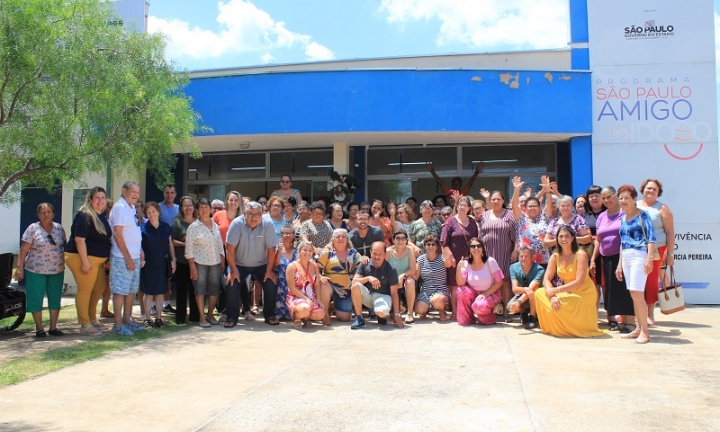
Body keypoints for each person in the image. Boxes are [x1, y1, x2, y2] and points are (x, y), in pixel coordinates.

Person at [535, 226, 606, 338]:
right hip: (566, 292)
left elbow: (579, 282)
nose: (564, 239)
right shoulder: (555, 256)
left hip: (583, 293)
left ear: (573, 238)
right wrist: (552, 295)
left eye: (567, 236)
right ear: (557, 239)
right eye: (561, 236)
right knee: (539, 293)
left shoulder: (581, 254)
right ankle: (557, 328)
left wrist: (557, 290)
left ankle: (569, 328)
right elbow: (546, 279)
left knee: (563, 301)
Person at [64, 188, 112, 336]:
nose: (100, 201)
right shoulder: (84, 215)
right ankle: (84, 324)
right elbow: (79, 240)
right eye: (97, 197)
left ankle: (92, 319)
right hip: (81, 258)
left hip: (97, 261)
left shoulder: (102, 215)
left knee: (99, 288)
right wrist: (85, 262)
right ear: (90, 199)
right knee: (85, 290)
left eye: (103, 197)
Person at [224, 201, 279, 327]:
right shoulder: (236, 223)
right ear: (244, 213)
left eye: (257, 215)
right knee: (232, 284)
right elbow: (229, 248)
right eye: (250, 214)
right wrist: (233, 271)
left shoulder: (267, 223)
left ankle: (269, 315)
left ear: (262, 214)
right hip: (238, 264)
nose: (254, 218)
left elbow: (272, 249)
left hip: (262, 265)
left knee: (271, 283)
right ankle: (232, 317)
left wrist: (269, 271)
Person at [15, 203, 66, 338]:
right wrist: (19, 268)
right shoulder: (33, 228)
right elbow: (23, 250)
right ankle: (39, 328)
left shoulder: (59, 229)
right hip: (35, 270)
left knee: (55, 298)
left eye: (49, 212)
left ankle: (53, 327)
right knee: (36, 298)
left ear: (53, 214)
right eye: (42, 212)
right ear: (38, 215)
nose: (46, 215)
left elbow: (64, 246)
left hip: (57, 269)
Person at [590, 186, 634, 332]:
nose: (606, 200)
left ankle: (630, 323)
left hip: (622, 256)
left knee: (624, 289)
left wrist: (621, 262)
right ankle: (620, 322)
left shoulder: (624, 214)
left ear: (616, 196)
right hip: (606, 259)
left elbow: (625, 238)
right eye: (604, 198)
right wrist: (593, 259)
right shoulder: (602, 216)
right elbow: (598, 239)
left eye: (609, 196)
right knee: (613, 291)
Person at [616, 185, 656, 344]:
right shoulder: (622, 218)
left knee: (637, 293)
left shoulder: (643, 215)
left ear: (634, 199)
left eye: (627, 198)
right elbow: (622, 243)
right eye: (621, 198)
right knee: (633, 294)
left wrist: (650, 259)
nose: (623, 201)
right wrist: (619, 264)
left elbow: (651, 238)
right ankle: (638, 328)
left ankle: (645, 332)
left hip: (640, 255)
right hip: (626, 256)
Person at [108, 181, 146, 336]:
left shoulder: (131, 208)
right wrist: (128, 258)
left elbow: (133, 233)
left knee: (131, 290)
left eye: (137, 192)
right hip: (121, 257)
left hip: (134, 256)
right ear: (124, 191)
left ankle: (127, 320)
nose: (135, 195)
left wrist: (140, 251)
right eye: (132, 191)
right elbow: (118, 234)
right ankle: (117, 325)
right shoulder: (121, 207)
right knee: (120, 291)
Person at [637, 178, 675, 326]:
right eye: (648, 188)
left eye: (654, 189)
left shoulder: (662, 208)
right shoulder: (635, 205)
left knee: (651, 280)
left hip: (657, 249)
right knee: (636, 279)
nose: (651, 191)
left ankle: (650, 313)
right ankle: (635, 312)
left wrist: (670, 253)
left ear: (658, 193)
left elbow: (670, 232)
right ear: (642, 189)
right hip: (636, 248)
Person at [477, 190, 518, 320]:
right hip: (488, 253)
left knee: (504, 281)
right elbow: (481, 234)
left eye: (498, 199)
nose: (495, 201)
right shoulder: (485, 215)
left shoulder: (509, 214)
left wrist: (515, 250)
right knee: (489, 282)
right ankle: (490, 310)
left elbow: (516, 235)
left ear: (503, 201)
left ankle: (506, 311)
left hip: (504, 252)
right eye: (493, 199)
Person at [185, 198, 225, 328]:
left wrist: (222, 260)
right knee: (200, 290)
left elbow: (220, 244)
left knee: (214, 290)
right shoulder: (193, 227)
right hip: (199, 263)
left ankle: (210, 314)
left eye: (206, 207)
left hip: (215, 262)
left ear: (210, 209)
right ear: (197, 210)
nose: (204, 210)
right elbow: (189, 248)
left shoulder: (215, 225)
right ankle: (202, 317)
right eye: (201, 207)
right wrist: (192, 267)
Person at [350, 242, 404, 329]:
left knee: (381, 312)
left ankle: (380, 315)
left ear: (385, 254)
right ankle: (359, 318)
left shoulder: (391, 268)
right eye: (374, 254)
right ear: (370, 252)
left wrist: (397, 314)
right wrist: (368, 278)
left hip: (382, 297)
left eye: (380, 254)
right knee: (355, 286)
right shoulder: (364, 264)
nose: (377, 257)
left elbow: (394, 293)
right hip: (368, 296)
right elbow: (354, 281)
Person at [441, 195, 479, 318]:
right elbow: (443, 241)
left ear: (469, 208)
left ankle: (468, 311)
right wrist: (449, 256)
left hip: (471, 257)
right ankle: (455, 313)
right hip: (455, 258)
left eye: (465, 205)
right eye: (460, 204)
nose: (462, 207)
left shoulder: (473, 222)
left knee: (469, 284)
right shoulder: (450, 221)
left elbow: (477, 240)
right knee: (455, 285)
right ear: (456, 207)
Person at [315, 229, 363, 325]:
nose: (340, 239)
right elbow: (314, 266)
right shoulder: (326, 252)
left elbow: (360, 268)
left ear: (347, 239)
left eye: (343, 236)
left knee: (345, 318)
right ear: (333, 239)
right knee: (324, 284)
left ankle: (332, 306)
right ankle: (326, 315)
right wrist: (320, 276)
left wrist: (364, 258)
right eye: (338, 237)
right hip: (330, 285)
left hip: (345, 289)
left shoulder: (353, 253)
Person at [140, 202, 176, 328]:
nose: (151, 214)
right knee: (148, 292)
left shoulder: (166, 227)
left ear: (158, 212)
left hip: (162, 263)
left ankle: (159, 318)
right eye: (149, 212)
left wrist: (174, 259)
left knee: (160, 292)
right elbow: (140, 246)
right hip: (148, 264)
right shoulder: (143, 228)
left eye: (153, 211)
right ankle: (148, 318)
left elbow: (170, 244)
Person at [455, 238, 504, 326]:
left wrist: (484, 294)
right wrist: (459, 268)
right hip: (474, 294)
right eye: (473, 246)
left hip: (490, 294)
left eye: (478, 246)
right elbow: (460, 284)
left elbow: (499, 282)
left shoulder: (490, 261)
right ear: (469, 249)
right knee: (460, 290)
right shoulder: (466, 263)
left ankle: (489, 318)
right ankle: (468, 319)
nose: (476, 248)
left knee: (479, 306)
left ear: (482, 248)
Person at [173, 196, 200, 324]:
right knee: (181, 290)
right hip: (182, 262)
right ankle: (180, 317)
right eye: (185, 206)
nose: (188, 208)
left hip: (197, 261)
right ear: (181, 208)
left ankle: (195, 316)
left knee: (196, 290)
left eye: (190, 205)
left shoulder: (199, 221)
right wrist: (186, 244)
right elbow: (172, 241)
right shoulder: (177, 222)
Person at [285, 240, 324, 328]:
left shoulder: (314, 265)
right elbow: (292, 288)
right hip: (295, 297)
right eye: (304, 250)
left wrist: (319, 299)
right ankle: (297, 317)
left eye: (310, 250)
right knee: (304, 309)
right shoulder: (292, 266)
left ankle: (306, 317)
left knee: (320, 314)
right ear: (299, 251)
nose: (307, 252)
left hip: (310, 297)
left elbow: (317, 285)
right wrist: (306, 299)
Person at [511, 176, 549, 266]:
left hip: (543, 261)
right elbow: (514, 206)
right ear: (525, 208)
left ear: (540, 208)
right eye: (530, 206)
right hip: (525, 261)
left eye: (535, 206)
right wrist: (516, 190)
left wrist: (547, 191)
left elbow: (549, 205)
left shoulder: (543, 216)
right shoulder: (521, 218)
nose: (532, 208)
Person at [414, 235, 452, 321]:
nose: (430, 246)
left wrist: (446, 255)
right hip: (426, 292)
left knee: (436, 299)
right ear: (425, 246)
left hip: (440, 291)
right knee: (420, 310)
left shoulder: (441, 258)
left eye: (433, 244)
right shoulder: (420, 259)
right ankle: (425, 309)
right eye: (428, 244)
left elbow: (448, 264)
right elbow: (416, 276)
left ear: (437, 246)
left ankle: (441, 311)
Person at [507, 246, 545, 329]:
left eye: (526, 256)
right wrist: (524, 289)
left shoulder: (539, 269)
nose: (523, 258)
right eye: (521, 256)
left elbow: (532, 289)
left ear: (532, 257)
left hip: (536, 296)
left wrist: (519, 302)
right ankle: (523, 312)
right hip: (523, 294)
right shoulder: (513, 267)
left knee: (533, 292)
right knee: (510, 307)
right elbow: (515, 289)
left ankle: (532, 317)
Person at [386, 229, 417, 323]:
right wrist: (395, 280)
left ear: (406, 240)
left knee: (410, 282)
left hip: (406, 278)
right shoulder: (388, 251)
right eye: (398, 238)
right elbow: (386, 270)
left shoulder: (409, 250)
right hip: (392, 281)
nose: (400, 241)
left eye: (403, 238)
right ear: (393, 239)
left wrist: (402, 276)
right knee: (392, 316)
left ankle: (410, 313)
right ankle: (399, 307)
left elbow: (413, 269)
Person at [158, 185, 178, 315]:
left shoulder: (179, 208)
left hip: (176, 245)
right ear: (163, 194)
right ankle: (155, 305)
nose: (169, 195)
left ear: (175, 194)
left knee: (169, 276)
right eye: (167, 193)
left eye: (172, 193)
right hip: (161, 245)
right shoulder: (158, 207)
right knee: (160, 275)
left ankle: (166, 303)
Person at [274, 224, 297, 322]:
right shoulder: (275, 249)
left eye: (290, 233)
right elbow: (274, 264)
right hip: (278, 283)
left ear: (294, 235)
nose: (288, 235)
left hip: (293, 284)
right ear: (281, 235)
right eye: (285, 233)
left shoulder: (297, 251)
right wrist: (279, 251)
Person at [100, 198, 115, 319]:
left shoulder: (113, 221)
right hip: (101, 256)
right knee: (99, 284)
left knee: (108, 284)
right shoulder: (100, 221)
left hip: (111, 256)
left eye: (110, 207)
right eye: (107, 207)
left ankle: (105, 309)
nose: (109, 210)